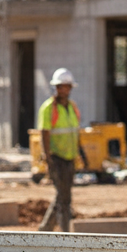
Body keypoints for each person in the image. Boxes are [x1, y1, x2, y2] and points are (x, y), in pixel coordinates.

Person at [38, 68, 81, 232]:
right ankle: (65, 233)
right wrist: (48, 159)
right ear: (56, 88)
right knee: (64, 198)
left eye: (66, 86)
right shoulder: (48, 108)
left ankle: (45, 229)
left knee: (62, 197)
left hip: (70, 157)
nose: (63, 90)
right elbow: (44, 133)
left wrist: (79, 154)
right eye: (61, 86)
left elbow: (74, 132)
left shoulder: (72, 107)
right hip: (57, 158)